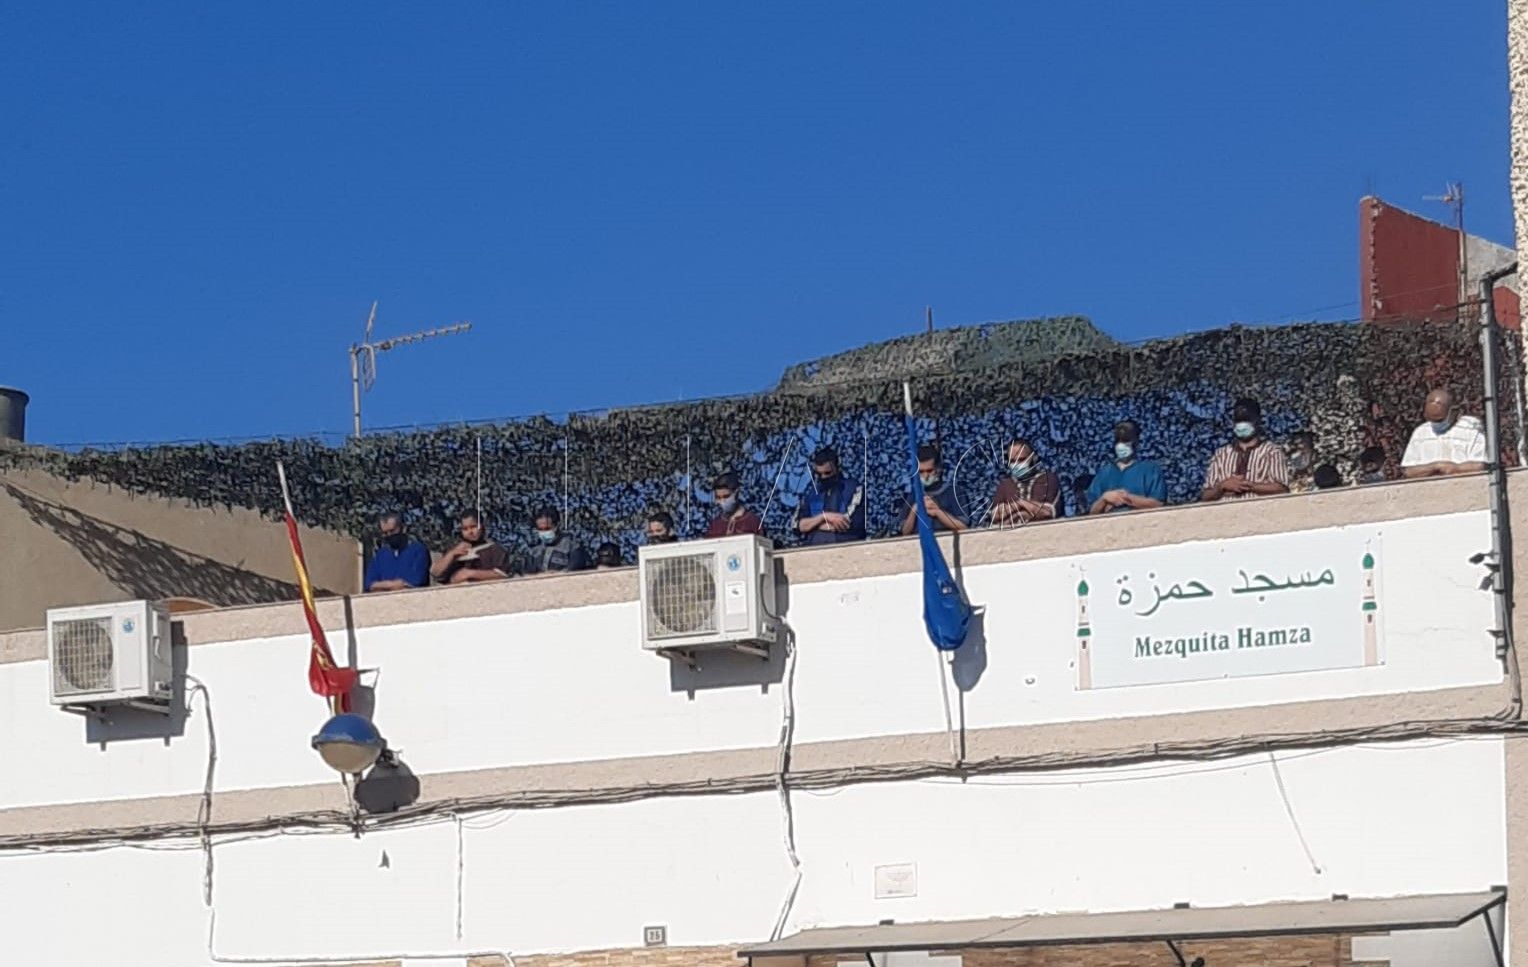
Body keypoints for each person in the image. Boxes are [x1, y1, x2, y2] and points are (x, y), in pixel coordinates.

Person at [1200, 398, 1290, 501]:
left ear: (1258, 421)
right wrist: (1222, 486)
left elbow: (1282, 489)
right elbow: (1206, 495)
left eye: (1247, 420)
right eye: (1238, 421)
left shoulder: (1271, 451)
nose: (1242, 425)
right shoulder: (1221, 454)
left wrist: (1250, 486)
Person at [1401, 388, 1488, 477]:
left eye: (1440, 420)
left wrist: (1454, 468)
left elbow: (1480, 465)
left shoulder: (1470, 428)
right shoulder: (1421, 432)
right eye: (1432, 420)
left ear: (1453, 412)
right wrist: (1435, 467)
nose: (1436, 424)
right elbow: (1409, 471)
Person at [1085, 420, 1166, 514]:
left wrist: (1126, 498)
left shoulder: (1150, 470)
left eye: (1126, 441)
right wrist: (1104, 498)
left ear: (1136, 442)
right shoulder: (1104, 473)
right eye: (1117, 441)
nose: (1120, 445)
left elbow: (1158, 504)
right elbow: (1092, 511)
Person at [795, 446, 867, 545]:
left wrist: (812, 525)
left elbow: (848, 524)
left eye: (827, 473)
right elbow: (799, 525)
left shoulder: (854, 489)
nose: (823, 477)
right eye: (819, 474)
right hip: (813, 549)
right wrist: (825, 517)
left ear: (837, 469)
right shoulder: (811, 493)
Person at [990, 438, 1061, 525]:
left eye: (1021, 459)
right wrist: (1025, 508)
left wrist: (1018, 506)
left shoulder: (1047, 479)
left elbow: (1046, 512)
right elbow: (996, 515)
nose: (1017, 464)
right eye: (1012, 461)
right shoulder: (1005, 485)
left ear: (1033, 459)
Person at [900, 443, 967, 534]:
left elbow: (963, 526)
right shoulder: (913, 495)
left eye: (929, 471)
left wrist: (937, 512)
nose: (926, 476)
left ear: (938, 469)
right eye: (921, 472)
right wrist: (915, 509)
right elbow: (905, 531)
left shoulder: (953, 492)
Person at [431, 509, 513, 584]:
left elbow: (502, 575)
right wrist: (452, 554)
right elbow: (436, 574)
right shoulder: (454, 551)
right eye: (465, 529)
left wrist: (469, 573)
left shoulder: (494, 549)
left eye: (473, 527)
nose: (470, 532)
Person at [363, 511, 431, 592]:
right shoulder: (380, 556)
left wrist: (382, 585)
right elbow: (370, 585)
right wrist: (394, 584)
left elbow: (415, 583)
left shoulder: (418, 551)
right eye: (385, 533)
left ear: (403, 528)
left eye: (392, 531)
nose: (389, 535)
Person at [522, 507, 589, 574]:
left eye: (547, 529)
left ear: (557, 526)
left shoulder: (572, 548)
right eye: (540, 529)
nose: (544, 532)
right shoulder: (534, 552)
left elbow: (578, 572)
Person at [705, 472, 766, 538]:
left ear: (736, 493)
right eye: (718, 497)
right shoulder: (715, 525)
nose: (722, 501)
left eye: (726, 496)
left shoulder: (753, 521)